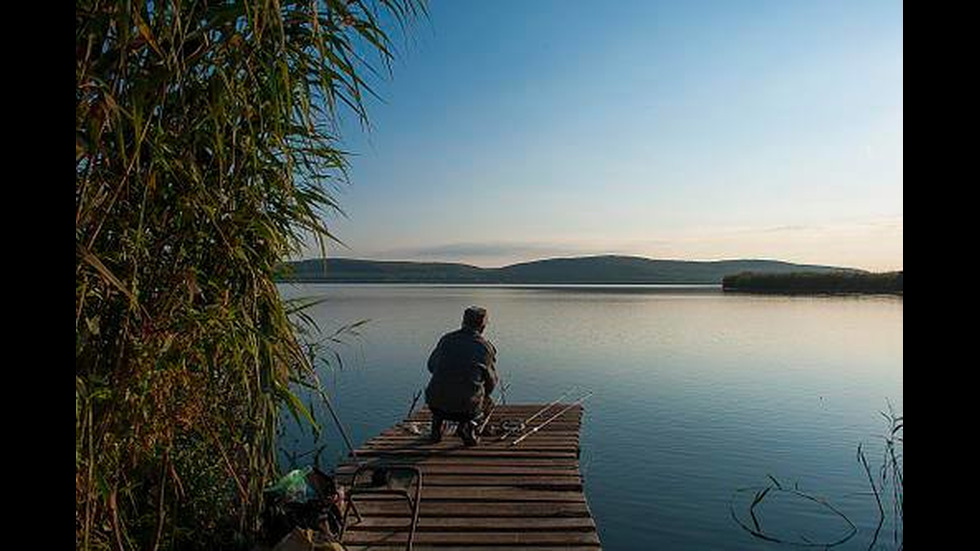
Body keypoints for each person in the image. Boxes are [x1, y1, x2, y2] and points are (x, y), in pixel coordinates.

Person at [425, 306, 498, 446]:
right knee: (488, 402)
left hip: (435, 404)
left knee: (443, 392)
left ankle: (436, 429)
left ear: (463, 322)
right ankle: (469, 429)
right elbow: (491, 383)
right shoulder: (485, 348)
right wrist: (484, 394)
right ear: (482, 326)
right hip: (466, 410)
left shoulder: (446, 340)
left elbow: (431, 367)